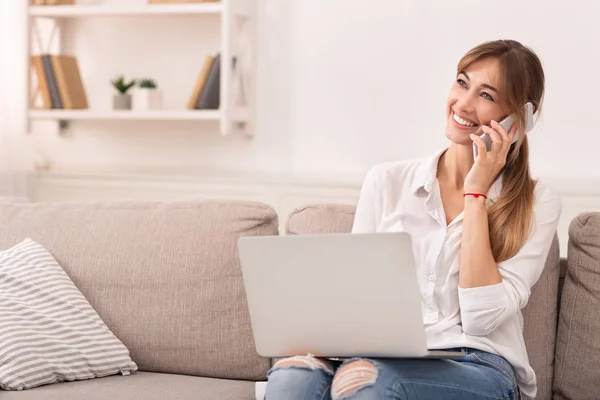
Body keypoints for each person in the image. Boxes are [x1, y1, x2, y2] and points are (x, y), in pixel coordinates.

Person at [264, 39, 562, 400]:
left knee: (371, 382)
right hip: (381, 357)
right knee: (293, 378)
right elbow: (356, 300)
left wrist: (476, 194)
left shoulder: (536, 200)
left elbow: (481, 318)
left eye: (486, 95)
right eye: (462, 83)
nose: (463, 104)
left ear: (519, 120)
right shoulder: (386, 181)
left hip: (480, 367)